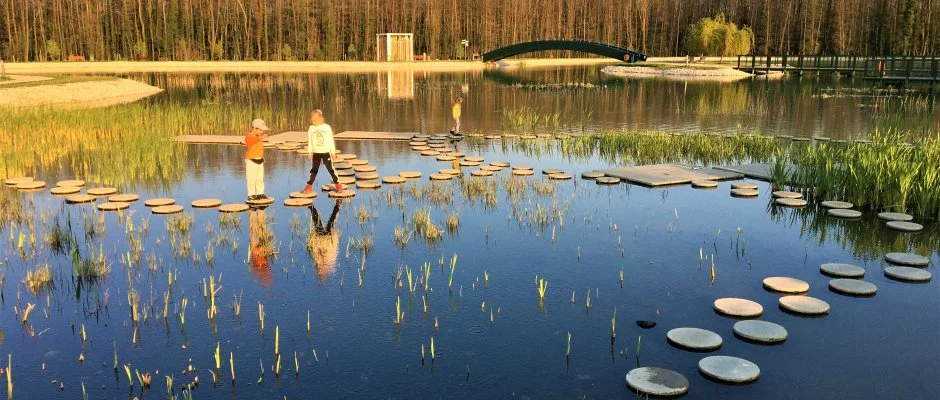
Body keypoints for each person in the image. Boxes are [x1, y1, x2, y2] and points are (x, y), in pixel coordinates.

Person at [302, 109, 341, 194]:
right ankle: (309, 186)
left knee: (330, 169)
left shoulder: (326, 127)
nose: (313, 122)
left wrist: (333, 152)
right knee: (314, 170)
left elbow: (330, 140)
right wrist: (309, 152)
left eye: (315, 120)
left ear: (320, 118)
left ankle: (338, 184)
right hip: (316, 153)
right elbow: (310, 140)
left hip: (326, 152)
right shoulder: (311, 128)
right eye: (312, 121)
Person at [309, 200, 342, 282]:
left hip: (327, 238)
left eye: (319, 271)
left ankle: (311, 206)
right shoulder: (327, 262)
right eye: (321, 271)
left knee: (326, 221)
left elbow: (333, 247)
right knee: (324, 222)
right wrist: (313, 238)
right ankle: (337, 205)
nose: (320, 269)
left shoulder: (327, 261)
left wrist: (335, 235)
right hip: (322, 239)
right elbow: (314, 248)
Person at [244, 118, 270, 202]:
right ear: (255, 128)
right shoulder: (249, 135)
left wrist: (262, 157)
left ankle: (260, 193)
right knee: (251, 179)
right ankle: (251, 194)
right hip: (251, 160)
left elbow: (259, 147)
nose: (262, 132)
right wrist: (262, 137)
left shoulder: (258, 136)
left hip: (260, 160)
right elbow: (253, 140)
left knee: (260, 178)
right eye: (260, 130)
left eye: (262, 131)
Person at [249, 208, 273, 286]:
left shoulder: (257, 271)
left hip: (256, 246)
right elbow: (256, 255)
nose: (270, 273)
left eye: (269, 276)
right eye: (270, 276)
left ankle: (259, 208)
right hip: (257, 246)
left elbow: (256, 255)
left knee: (258, 226)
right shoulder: (258, 270)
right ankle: (253, 209)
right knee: (255, 227)